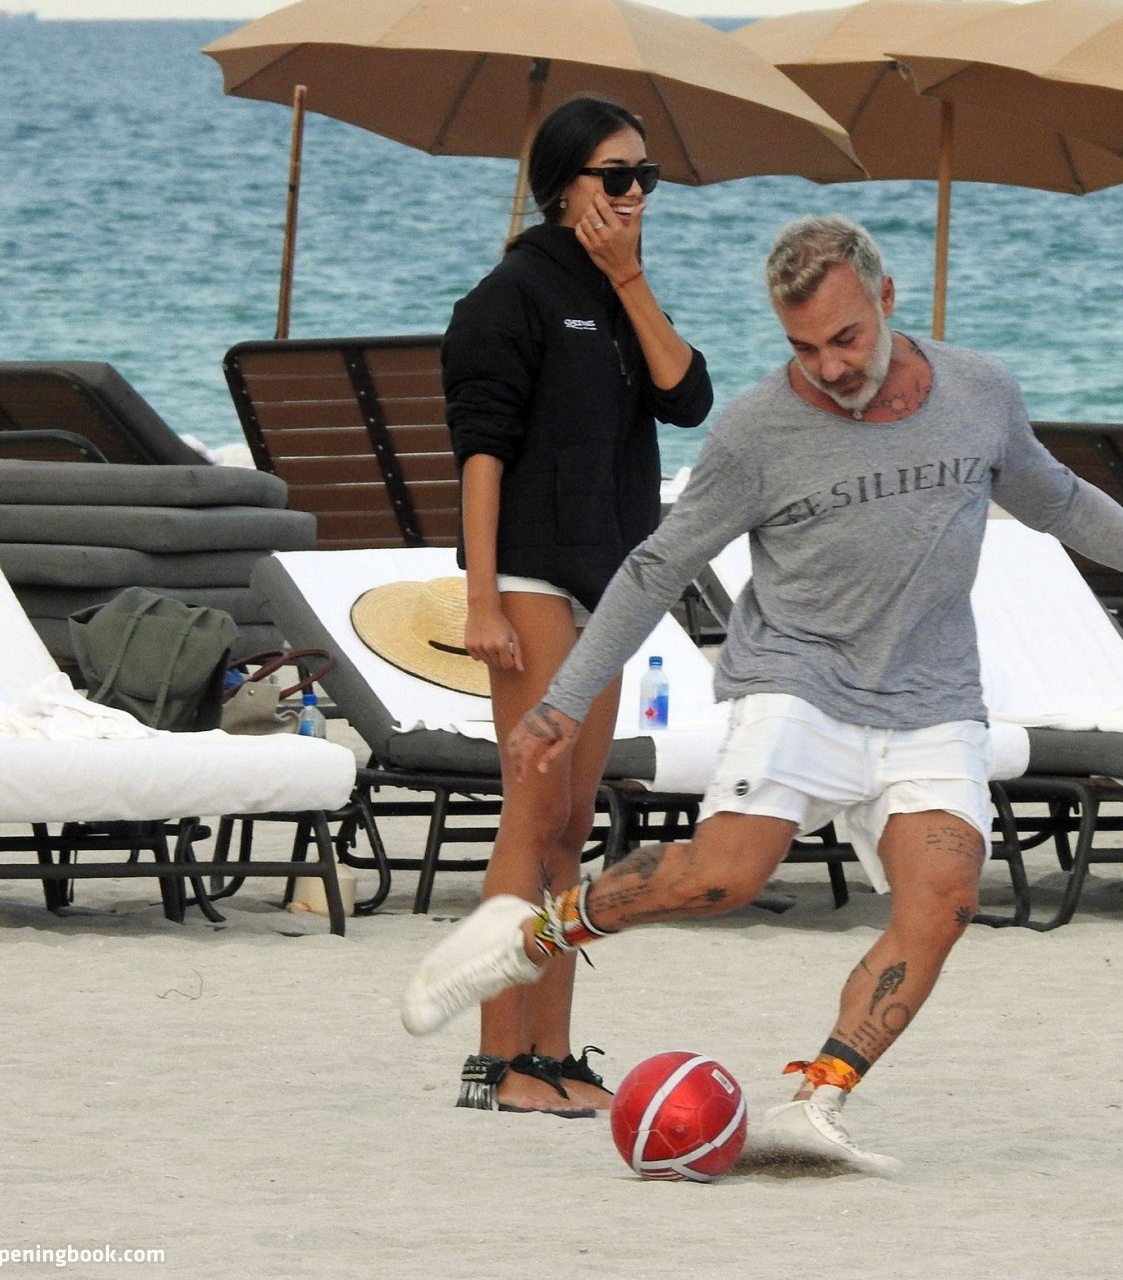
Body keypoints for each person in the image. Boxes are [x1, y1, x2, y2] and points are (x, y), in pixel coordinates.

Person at [409, 214, 1123, 1168]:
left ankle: (817, 1100)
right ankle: (529, 934)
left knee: (943, 900)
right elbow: (656, 567)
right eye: (803, 347)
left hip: (932, 695)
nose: (830, 367)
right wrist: (565, 699)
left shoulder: (978, 391)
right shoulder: (758, 429)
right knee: (724, 877)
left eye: (846, 338)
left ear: (886, 298)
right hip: (797, 679)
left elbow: (1056, 499)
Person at [439, 96, 712, 1116]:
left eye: (646, 176)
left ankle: (550, 1054)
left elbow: (688, 398)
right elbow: (480, 456)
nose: (636, 193)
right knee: (533, 812)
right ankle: (493, 1060)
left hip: (612, 581)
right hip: (529, 576)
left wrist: (631, 280)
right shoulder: (508, 296)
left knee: (571, 823)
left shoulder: (618, 292)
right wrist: (481, 600)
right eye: (616, 175)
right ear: (563, 186)